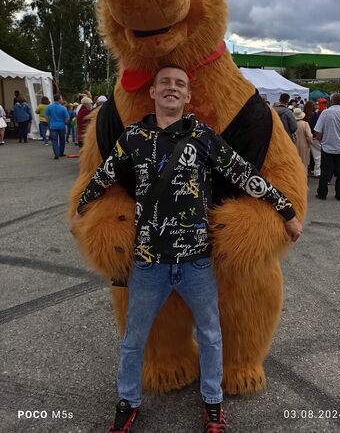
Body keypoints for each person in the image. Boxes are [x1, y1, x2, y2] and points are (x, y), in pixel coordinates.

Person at [71, 66, 303, 433]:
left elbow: (245, 174)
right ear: (153, 92)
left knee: (211, 337)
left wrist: (286, 211)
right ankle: (127, 402)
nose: (172, 88)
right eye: (164, 82)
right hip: (149, 262)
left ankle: (212, 403)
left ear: (188, 96)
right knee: (134, 340)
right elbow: (103, 177)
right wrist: (81, 210)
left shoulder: (203, 138)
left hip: (196, 263)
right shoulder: (133, 138)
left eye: (179, 84)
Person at [314, 92, 340, 201]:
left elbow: (318, 130)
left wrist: (321, 139)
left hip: (327, 146)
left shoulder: (325, 113)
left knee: (325, 172)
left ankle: (322, 193)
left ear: (331, 101)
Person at [44, 94, 70, 159]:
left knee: (54, 140)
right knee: (62, 140)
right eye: (61, 98)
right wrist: (64, 122)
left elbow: (46, 116)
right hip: (61, 126)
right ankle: (61, 153)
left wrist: (49, 122)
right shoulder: (63, 108)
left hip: (53, 126)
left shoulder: (50, 107)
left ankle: (56, 153)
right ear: (59, 99)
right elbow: (67, 118)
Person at [293, 107, 312, 173]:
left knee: (295, 162)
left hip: (294, 145)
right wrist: (310, 143)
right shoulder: (305, 124)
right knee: (304, 163)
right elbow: (309, 136)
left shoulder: (292, 123)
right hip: (304, 145)